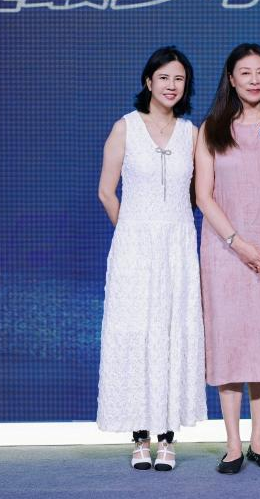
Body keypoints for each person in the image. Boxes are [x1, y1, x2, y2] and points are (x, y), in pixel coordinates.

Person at [96, 46, 207, 471]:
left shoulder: (191, 133)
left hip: (178, 248)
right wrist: (131, 232)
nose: (171, 86)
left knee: (171, 333)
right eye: (164, 78)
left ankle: (167, 437)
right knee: (136, 333)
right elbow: (107, 191)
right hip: (134, 250)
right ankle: (139, 437)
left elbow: (199, 193)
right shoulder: (125, 127)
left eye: (179, 79)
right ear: (148, 81)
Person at [195, 43, 260, 475]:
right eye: (246, 72)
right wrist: (238, 244)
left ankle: (259, 440)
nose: (255, 80)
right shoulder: (211, 128)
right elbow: (203, 195)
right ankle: (233, 444)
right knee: (230, 345)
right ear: (231, 78)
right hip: (225, 253)